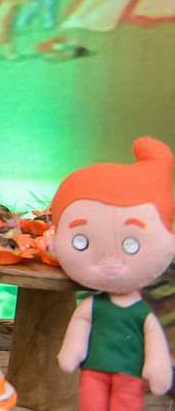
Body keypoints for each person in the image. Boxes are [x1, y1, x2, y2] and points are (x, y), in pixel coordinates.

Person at [52, 136, 175, 409]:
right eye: (81, 242)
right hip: (93, 372)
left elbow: (153, 338)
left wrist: (157, 366)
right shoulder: (93, 306)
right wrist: (72, 352)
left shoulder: (141, 313)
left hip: (129, 374)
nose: (111, 262)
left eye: (132, 245)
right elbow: (81, 324)